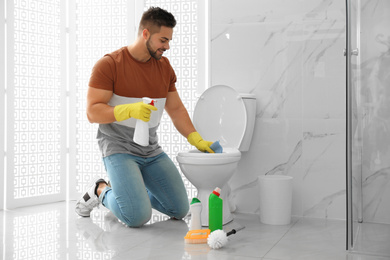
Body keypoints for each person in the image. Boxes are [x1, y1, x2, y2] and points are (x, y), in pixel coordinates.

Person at [75, 7, 214, 228]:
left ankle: (132, 195)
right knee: (137, 217)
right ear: (146, 34)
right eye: (163, 40)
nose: (167, 46)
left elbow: (176, 109)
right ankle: (101, 189)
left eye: (169, 40)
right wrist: (127, 110)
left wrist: (195, 138)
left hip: (149, 148)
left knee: (179, 209)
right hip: (118, 147)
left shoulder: (164, 67)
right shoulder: (110, 65)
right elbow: (92, 112)